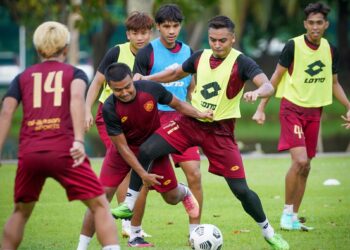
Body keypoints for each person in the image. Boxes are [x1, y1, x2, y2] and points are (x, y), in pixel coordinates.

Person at [115, 15, 290, 250]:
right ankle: (128, 203)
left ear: (233, 39)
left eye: (222, 40)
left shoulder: (243, 62)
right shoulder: (200, 56)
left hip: (220, 132)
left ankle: (268, 231)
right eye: (212, 40)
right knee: (146, 149)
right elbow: (176, 73)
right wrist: (146, 79)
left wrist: (257, 93)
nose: (217, 45)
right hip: (190, 122)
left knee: (241, 191)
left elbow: (268, 84)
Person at [0, 21, 120, 250]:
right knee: (100, 206)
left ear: (37, 49)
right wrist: (78, 139)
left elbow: (6, 112)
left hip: (30, 152)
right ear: (66, 48)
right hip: (65, 151)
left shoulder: (22, 77)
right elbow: (76, 99)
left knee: (21, 211)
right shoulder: (74, 73)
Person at [252, 2, 350, 231]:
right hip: (292, 109)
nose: (315, 27)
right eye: (311, 23)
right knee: (300, 161)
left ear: (326, 24)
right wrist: (261, 107)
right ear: (305, 24)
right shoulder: (293, 46)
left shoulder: (330, 49)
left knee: (307, 166)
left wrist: (347, 105)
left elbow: (334, 83)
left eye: (320, 23)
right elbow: (274, 78)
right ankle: (286, 214)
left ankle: (294, 217)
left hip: (315, 112)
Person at [101, 62, 212, 247]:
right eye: (118, 90)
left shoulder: (151, 89)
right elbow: (122, 147)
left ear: (133, 80)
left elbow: (178, 105)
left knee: (171, 198)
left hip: (153, 150)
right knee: (134, 188)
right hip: (128, 151)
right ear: (110, 88)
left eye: (128, 86)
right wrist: (142, 173)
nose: (125, 92)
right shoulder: (109, 108)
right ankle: (135, 235)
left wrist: (199, 113)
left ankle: (184, 192)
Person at [77, 12, 154, 249]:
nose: (140, 37)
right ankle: (128, 225)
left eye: (144, 32)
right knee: (127, 166)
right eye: (135, 33)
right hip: (109, 117)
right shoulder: (116, 52)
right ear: (128, 34)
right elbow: (98, 82)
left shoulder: (153, 55)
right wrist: (86, 110)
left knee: (137, 171)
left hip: (137, 120)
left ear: (150, 32)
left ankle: (129, 224)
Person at [130, 3, 203, 240]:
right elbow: (136, 90)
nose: (172, 31)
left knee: (195, 173)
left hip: (182, 119)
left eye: (175, 26)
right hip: (154, 121)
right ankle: (135, 233)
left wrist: (198, 111)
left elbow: (191, 87)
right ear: (158, 27)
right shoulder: (146, 53)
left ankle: (196, 234)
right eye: (166, 26)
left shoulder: (189, 51)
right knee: (146, 182)